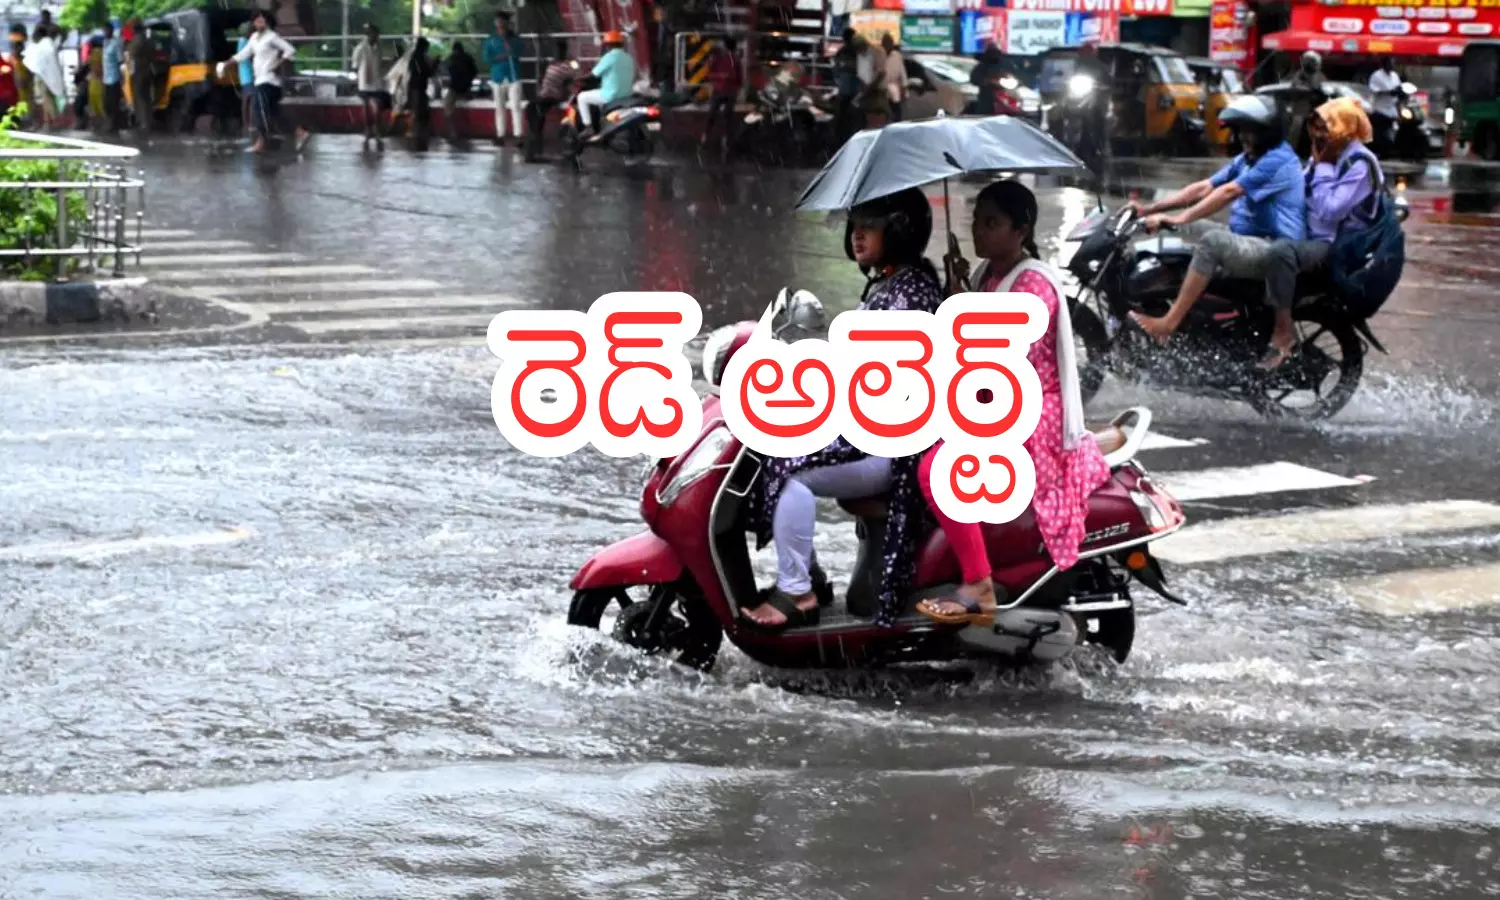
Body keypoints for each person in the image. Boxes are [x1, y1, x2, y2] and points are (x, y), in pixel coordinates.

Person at [739, 187, 945, 632]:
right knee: (770, 449)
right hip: (871, 433)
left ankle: (798, 590)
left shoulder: (912, 294)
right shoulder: (891, 283)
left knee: (789, 471)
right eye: (855, 226)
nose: (857, 236)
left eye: (870, 226)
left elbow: (888, 384)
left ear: (901, 230)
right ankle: (806, 572)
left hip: (894, 449)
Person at [916, 181, 1111, 624]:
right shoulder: (992, 273)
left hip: (1029, 410)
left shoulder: (1032, 286)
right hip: (994, 399)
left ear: (1020, 230)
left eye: (992, 223)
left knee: (937, 470)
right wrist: (960, 290)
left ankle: (979, 582)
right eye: (977, 221)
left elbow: (999, 358)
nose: (979, 231)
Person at [1127, 95, 1306, 343]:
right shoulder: (1248, 158)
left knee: (1211, 241)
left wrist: (1180, 218)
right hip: (1248, 239)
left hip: (1272, 248)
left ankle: (1168, 323)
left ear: (1266, 132)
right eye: (1240, 130)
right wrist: (1150, 210)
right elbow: (1204, 188)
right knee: (1187, 227)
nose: (1242, 136)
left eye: (1249, 131)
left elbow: (1228, 192)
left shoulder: (1277, 160)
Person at [1260, 98, 1381, 370]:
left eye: (1325, 128)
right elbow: (1298, 188)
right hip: (1310, 235)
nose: (1317, 135)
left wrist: (1323, 166)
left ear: (1345, 128)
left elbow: (1329, 210)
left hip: (1335, 247)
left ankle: (1283, 333)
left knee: (1281, 253)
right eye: (1315, 128)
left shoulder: (1358, 163)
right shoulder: (1328, 154)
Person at [218, 10, 311, 154]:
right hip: (261, 79)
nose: (259, 22)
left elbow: (290, 50)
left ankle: (262, 142)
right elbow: (243, 54)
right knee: (275, 112)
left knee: (258, 111)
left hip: (268, 80)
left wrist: (278, 64)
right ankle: (299, 132)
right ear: (253, 23)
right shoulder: (254, 38)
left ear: (267, 22)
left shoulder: (272, 37)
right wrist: (226, 63)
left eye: (262, 20)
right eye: (256, 20)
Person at [576, 31, 635, 135]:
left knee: (582, 97)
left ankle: (588, 127)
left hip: (611, 95)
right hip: (626, 95)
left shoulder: (610, 57)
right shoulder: (628, 58)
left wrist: (578, 79)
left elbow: (593, 75)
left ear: (608, 45)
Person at [525, 40, 577, 157]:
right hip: (544, 93)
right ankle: (535, 139)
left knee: (537, 112)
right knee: (531, 109)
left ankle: (535, 145)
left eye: (558, 51)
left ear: (563, 52)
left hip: (554, 94)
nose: (556, 53)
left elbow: (576, 73)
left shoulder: (568, 64)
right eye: (555, 51)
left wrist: (572, 60)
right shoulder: (552, 63)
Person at [483, 12, 525, 145]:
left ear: (507, 23)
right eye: (498, 22)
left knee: (516, 106)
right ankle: (500, 134)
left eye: (502, 22)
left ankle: (518, 135)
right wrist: (500, 57)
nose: (500, 24)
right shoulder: (491, 40)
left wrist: (508, 45)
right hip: (497, 77)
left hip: (514, 76)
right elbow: (486, 58)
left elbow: (519, 51)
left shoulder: (515, 38)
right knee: (499, 107)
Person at [700, 36, 740, 155]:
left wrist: (718, 77)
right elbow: (738, 78)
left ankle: (707, 137)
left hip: (721, 90)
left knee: (713, 115)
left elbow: (708, 74)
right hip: (728, 90)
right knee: (726, 117)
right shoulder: (733, 59)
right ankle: (724, 140)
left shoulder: (719, 58)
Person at [352, 24, 389, 150]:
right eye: (373, 34)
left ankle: (377, 130)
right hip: (364, 82)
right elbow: (355, 66)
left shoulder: (380, 47)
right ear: (368, 35)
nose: (376, 36)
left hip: (377, 81)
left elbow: (383, 63)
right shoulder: (360, 48)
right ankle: (368, 130)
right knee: (366, 107)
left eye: (376, 34)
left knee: (378, 108)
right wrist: (358, 79)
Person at [22, 24, 64, 130]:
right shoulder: (44, 44)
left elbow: (42, 63)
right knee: (46, 100)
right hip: (45, 77)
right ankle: (50, 122)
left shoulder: (45, 45)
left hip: (46, 78)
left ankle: (50, 122)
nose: (33, 36)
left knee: (47, 100)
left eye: (35, 34)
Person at [404, 36, 436, 149]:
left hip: (417, 87)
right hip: (417, 87)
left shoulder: (416, 57)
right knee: (418, 111)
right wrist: (434, 65)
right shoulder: (418, 58)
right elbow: (424, 72)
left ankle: (416, 131)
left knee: (419, 110)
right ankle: (415, 131)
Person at [442, 41, 476, 141]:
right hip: (466, 88)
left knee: (447, 106)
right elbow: (475, 71)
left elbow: (446, 69)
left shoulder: (452, 58)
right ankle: (462, 131)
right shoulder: (468, 58)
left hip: (455, 88)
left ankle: (453, 132)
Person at [1367, 56, 1401, 155]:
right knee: (1380, 133)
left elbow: (1398, 87)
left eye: (1394, 63)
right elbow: (1374, 90)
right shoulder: (1376, 76)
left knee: (1390, 131)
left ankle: (1387, 151)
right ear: (1385, 64)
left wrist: (1400, 92)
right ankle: (1378, 151)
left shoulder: (1395, 75)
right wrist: (1388, 92)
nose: (1393, 65)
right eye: (1391, 63)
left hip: (1391, 109)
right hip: (1380, 109)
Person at [126, 17, 153, 134]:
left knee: (141, 98)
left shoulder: (138, 39)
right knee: (143, 98)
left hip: (139, 72)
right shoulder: (144, 39)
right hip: (142, 71)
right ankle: (144, 122)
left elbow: (131, 54)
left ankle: (144, 123)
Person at [101, 22, 122, 132]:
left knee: (114, 103)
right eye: (103, 30)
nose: (104, 32)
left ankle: (114, 125)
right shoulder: (105, 42)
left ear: (111, 30)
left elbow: (120, 60)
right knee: (107, 104)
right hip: (106, 78)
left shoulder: (116, 43)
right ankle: (109, 123)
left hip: (114, 78)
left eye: (106, 30)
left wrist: (122, 77)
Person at [234, 22, 253, 134]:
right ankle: (248, 124)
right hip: (248, 74)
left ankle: (246, 124)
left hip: (244, 74)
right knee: (249, 99)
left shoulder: (241, 41)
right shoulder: (245, 42)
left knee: (247, 99)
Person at [881, 33, 905, 122]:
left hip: (894, 89)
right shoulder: (879, 54)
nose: (887, 45)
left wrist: (904, 88)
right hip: (881, 91)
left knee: (896, 115)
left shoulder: (897, 56)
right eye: (885, 43)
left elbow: (903, 74)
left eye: (889, 43)